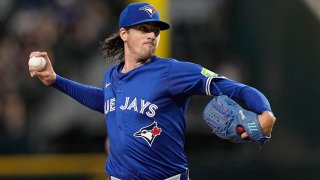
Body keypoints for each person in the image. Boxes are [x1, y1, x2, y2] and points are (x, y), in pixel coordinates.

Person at [29, 2, 276, 180]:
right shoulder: (111, 77)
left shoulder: (173, 72)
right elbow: (105, 101)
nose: (152, 36)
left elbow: (236, 88)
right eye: (143, 29)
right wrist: (55, 80)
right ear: (124, 33)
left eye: (155, 31)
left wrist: (265, 113)